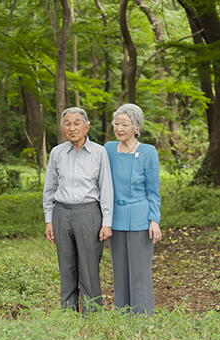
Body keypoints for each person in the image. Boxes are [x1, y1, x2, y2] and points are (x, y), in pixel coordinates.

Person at [43, 107, 113, 313]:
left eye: (76, 123)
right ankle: (68, 312)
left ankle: (92, 313)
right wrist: (49, 220)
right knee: (66, 267)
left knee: (89, 267)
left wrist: (107, 222)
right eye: (67, 123)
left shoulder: (100, 153)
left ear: (86, 126)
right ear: (63, 127)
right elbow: (50, 189)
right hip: (61, 213)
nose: (72, 128)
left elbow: (106, 189)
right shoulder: (57, 153)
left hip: (89, 214)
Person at [104, 103, 161, 315]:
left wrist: (154, 220)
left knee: (139, 272)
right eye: (116, 123)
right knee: (119, 271)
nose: (119, 128)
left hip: (140, 218)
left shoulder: (148, 152)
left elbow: (153, 191)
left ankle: (143, 317)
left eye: (124, 124)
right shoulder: (108, 149)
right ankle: (122, 315)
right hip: (115, 219)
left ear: (136, 127)